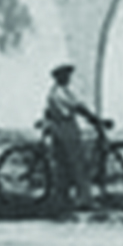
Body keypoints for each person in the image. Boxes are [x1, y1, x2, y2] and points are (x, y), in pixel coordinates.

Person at [42, 63, 106, 215]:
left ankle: (62, 200)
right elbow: (77, 107)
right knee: (78, 163)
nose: (68, 78)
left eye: (68, 75)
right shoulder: (60, 92)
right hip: (66, 128)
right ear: (59, 77)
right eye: (65, 75)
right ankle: (85, 200)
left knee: (63, 165)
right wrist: (94, 118)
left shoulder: (57, 92)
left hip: (60, 128)